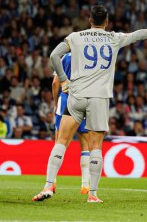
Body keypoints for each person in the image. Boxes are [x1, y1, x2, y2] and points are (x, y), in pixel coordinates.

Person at [33, 5, 147, 203]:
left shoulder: (75, 37)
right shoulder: (114, 38)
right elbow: (138, 35)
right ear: (106, 22)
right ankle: (92, 194)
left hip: (76, 96)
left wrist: (64, 80)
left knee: (61, 141)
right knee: (95, 146)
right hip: (99, 98)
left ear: (89, 20)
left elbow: (54, 56)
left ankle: (48, 185)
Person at [51, 52, 91, 195]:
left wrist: (56, 104)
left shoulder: (64, 57)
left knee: (59, 141)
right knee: (85, 143)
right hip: (83, 99)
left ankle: (52, 182)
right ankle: (85, 185)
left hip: (66, 98)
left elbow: (56, 83)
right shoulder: (88, 55)